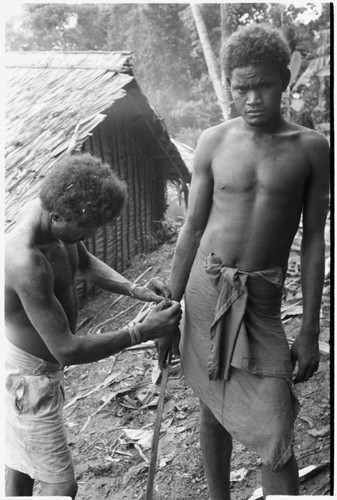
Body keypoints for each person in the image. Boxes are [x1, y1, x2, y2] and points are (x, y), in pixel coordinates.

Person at [159, 24, 330, 498]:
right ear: (230, 86)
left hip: (259, 300)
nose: (252, 98)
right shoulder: (214, 141)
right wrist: (169, 310)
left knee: (276, 427)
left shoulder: (312, 149)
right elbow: (192, 228)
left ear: (284, 81)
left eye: (263, 85)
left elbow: (314, 238)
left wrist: (311, 329)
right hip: (204, 287)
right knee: (211, 404)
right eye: (241, 88)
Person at [5, 153, 182, 498]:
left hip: (35, 370)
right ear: (57, 217)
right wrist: (141, 331)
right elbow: (67, 349)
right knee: (61, 485)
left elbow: (84, 261)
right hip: (27, 381)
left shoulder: (57, 216)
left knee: (21, 466)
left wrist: (136, 289)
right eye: (88, 229)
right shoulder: (25, 261)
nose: (92, 234)